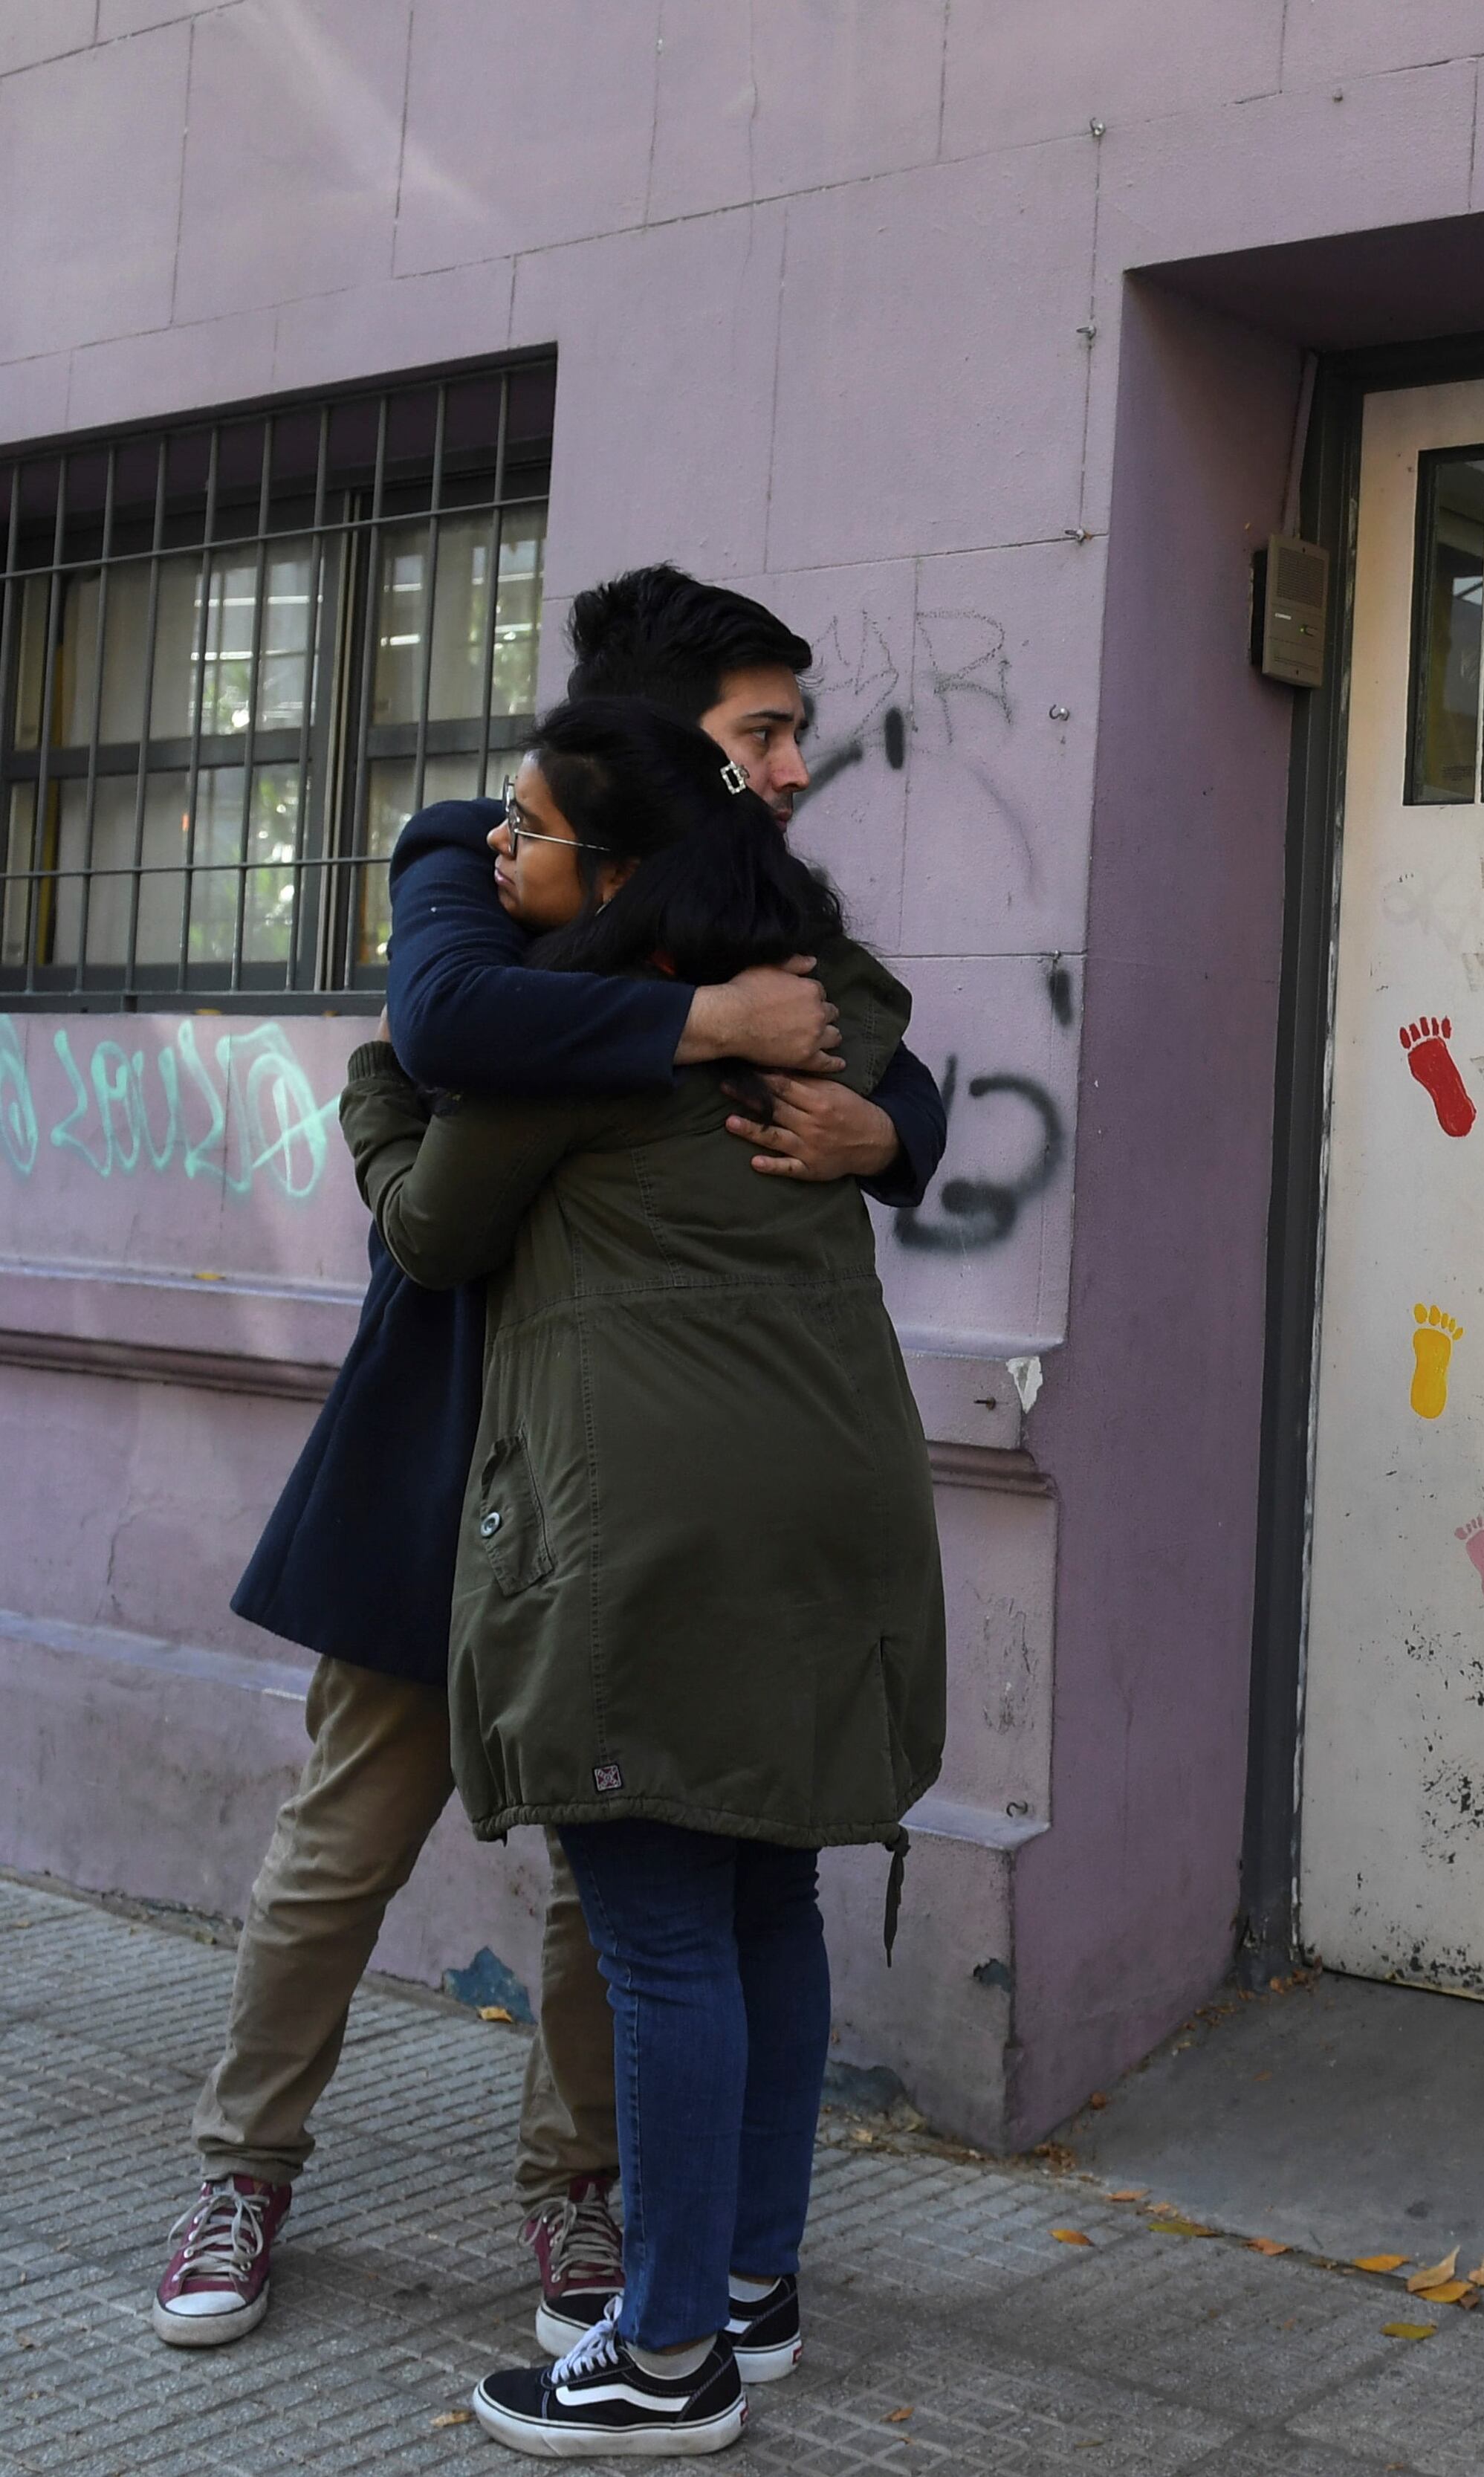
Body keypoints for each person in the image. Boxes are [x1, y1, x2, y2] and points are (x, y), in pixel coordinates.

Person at [159, 569, 946, 2354]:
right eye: (761, 732)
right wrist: (707, 1026)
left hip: (618, 1477)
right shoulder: (475, 848)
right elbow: (446, 1027)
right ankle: (243, 2166)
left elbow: (890, 1051)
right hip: (443, 1444)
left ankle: (583, 2189)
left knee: (620, 1878)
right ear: (661, 741)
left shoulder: (747, 905)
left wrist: (883, 1128)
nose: (793, 768)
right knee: (344, 1843)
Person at [339, 697, 945, 2455]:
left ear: (618, 880)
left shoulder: (563, 1059)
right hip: (834, 1504)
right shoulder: (820, 1009)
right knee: (766, 1897)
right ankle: (749, 2285)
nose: (498, 847)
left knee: (664, 1936)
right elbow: (898, 1059)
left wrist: (381, 1099)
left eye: (529, 829)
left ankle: (667, 2351)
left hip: (654, 1534)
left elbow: (430, 1227)